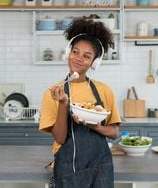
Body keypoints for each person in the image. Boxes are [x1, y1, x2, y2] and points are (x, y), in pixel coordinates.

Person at [39, 18, 121, 188]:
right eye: (75, 52)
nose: (78, 58)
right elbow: (60, 139)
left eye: (86, 56)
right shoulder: (54, 92)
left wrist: (94, 126)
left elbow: (114, 133)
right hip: (68, 167)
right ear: (68, 52)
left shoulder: (104, 90)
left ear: (94, 62)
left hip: (101, 166)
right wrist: (63, 103)